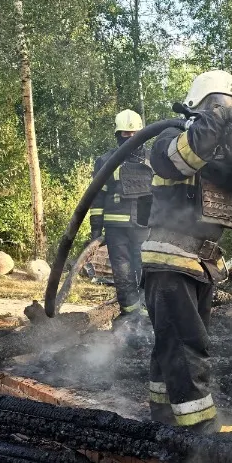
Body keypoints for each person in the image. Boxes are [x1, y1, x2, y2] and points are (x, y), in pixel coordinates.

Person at [140, 70, 232, 433]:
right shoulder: (169, 138)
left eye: (229, 108)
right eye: (216, 106)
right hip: (170, 261)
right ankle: (200, 432)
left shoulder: (219, 154)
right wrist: (213, 124)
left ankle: (164, 420)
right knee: (186, 346)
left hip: (202, 263)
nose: (223, 112)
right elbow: (179, 160)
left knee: (171, 343)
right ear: (197, 109)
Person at [90, 109, 154, 325]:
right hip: (116, 229)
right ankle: (130, 314)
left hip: (145, 226)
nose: (130, 139)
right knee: (122, 272)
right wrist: (96, 231)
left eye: (134, 134)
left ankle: (148, 312)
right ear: (117, 135)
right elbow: (97, 197)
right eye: (125, 135)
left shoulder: (153, 159)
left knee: (146, 269)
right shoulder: (106, 161)